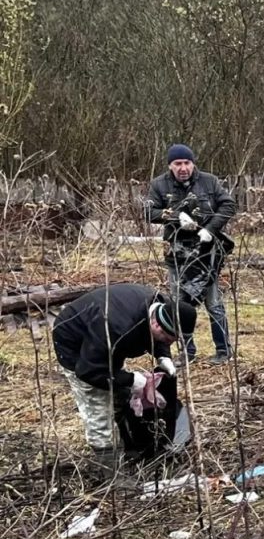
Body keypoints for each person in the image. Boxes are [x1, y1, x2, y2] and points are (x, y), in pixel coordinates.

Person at [51, 284, 196, 461]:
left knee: (120, 395)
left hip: (105, 342)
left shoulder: (162, 305)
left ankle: (130, 448)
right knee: (98, 409)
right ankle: (111, 472)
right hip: (74, 343)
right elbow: (87, 371)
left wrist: (163, 356)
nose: (169, 343)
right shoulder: (117, 327)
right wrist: (131, 379)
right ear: (156, 324)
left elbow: (160, 335)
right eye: (166, 339)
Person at [144, 144, 236, 363]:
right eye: (178, 164)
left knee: (213, 303)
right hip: (176, 253)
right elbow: (148, 211)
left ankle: (223, 351)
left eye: (187, 163)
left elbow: (229, 205)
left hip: (206, 252)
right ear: (170, 166)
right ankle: (187, 353)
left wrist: (210, 229)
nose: (183, 168)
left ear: (193, 163)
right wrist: (176, 216)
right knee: (178, 304)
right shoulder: (159, 184)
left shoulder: (210, 181)